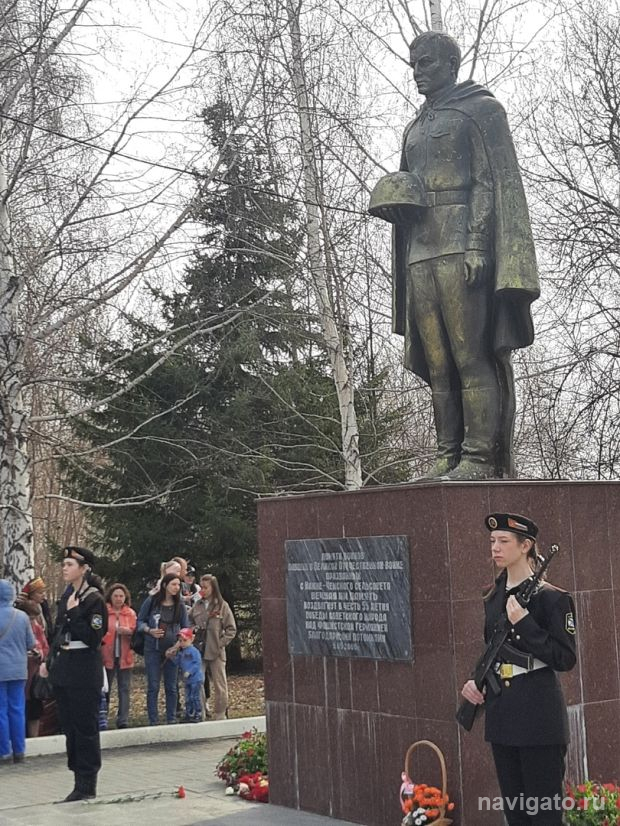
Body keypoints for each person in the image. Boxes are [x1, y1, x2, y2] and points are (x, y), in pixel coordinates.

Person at [372, 31, 539, 480]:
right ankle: (447, 455)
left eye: (425, 63)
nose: (417, 73)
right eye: (413, 65)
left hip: (462, 246)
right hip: (421, 251)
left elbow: (489, 180)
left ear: (451, 63)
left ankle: (480, 458)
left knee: (470, 357)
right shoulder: (415, 126)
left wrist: (479, 245)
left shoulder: (481, 110)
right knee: (439, 362)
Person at [461, 513, 577, 825]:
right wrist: (476, 681)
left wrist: (525, 624)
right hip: (503, 717)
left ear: (525, 546)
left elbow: (565, 659)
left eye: (503, 541)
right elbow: (493, 648)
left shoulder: (552, 598)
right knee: (516, 815)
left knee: (544, 815)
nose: (495, 548)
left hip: (539, 717)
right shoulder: (493, 595)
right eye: (492, 542)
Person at [40, 547, 107, 801]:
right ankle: (77, 777)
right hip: (65, 667)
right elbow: (58, 633)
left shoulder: (94, 599)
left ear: (84, 568)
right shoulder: (68, 594)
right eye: (64, 563)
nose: (64, 568)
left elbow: (93, 637)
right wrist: (49, 660)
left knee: (85, 727)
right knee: (68, 726)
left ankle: (87, 783)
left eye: (70, 564)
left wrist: (75, 612)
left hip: (84, 668)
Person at [137, 573, 189, 725]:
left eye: (178, 585)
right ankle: (153, 720)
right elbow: (139, 621)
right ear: (165, 585)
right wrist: (149, 630)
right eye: (173, 584)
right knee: (153, 685)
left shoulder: (179, 605)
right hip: (152, 648)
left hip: (172, 650)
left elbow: (185, 628)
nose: (176, 588)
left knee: (171, 686)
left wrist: (177, 646)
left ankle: (171, 718)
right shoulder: (152, 601)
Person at [189, 575, 236, 721]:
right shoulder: (197, 606)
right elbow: (189, 623)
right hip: (199, 649)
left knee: (220, 683)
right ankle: (201, 712)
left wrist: (220, 643)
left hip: (216, 651)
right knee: (198, 681)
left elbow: (231, 629)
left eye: (206, 587)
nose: (202, 590)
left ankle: (220, 714)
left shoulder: (222, 606)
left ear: (213, 588)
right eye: (201, 587)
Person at [0, 579, 35, 763]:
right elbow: (31, 643)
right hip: (18, 669)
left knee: (1, 710)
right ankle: (19, 751)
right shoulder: (21, 617)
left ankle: (4, 752)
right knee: (17, 709)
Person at [14, 590, 50, 737]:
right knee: (17, 709)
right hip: (18, 674)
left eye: (34, 618)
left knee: (34, 712)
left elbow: (45, 647)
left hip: (33, 676)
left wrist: (39, 653)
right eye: (30, 618)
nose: (32, 622)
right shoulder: (15, 626)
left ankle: (34, 740)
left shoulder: (36, 628)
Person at [101, 583, 136, 729]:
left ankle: (123, 720)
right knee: (106, 687)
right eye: (116, 595)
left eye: (121, 596)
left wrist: (129, 631)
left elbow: (136, 630)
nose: (118, 598)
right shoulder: (104, 612)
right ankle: (104, 717)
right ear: (110, 596)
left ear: (125, 597)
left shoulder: (130, 613)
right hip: (107, 655)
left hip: (125, 655)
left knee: (124, 688)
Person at [168, 628, 203, 722]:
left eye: (184, 640)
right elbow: (178, 662)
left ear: (191, 640)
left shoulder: (194, 651)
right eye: (180, 641)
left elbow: (197, 663)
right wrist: (171, 657)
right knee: (187, 697)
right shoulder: (181, 653)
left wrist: (190, 671)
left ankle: (198, 714)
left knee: (194, 697)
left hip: (195, 678)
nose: (182, 643)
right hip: (187, 680)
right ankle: (189, 714)